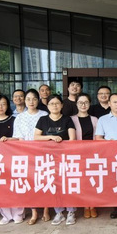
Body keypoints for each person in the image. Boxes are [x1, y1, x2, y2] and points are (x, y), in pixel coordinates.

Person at [34, 94, 77, 225]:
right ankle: (59, 212)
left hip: (65, 157)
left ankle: (71, 212)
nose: (54, 106)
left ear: (62, 105)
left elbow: (72, 139)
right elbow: (36, 137)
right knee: (54, 184)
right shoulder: (43, 120)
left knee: (67, 184)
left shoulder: (67, 119)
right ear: (47, 106)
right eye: (51, 103)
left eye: (57, 103)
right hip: (49, 158)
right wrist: (51, 137)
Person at [0, 94, 24, 225]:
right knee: (1, 187)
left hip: (12, 157)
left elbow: (19, 137)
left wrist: (9, 139)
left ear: (8, 105)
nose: (0, 107)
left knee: (15, 185)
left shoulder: (14, 119)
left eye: (3, 104)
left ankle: (18, 213)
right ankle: (6, 214)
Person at [13, 88, 49, 225]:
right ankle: (34, 212)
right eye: (28, 99)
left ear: (38, 100)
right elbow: (18, 137)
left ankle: (46, 209)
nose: (31, 101)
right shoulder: (20, 117)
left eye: (34, 99)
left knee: (45, 181)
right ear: (24, 101)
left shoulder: (44, 114)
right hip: (26, 154)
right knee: (30, 183)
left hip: (43, 152)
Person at [71, 92, 99, 218]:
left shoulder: (95, 119)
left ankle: (92, 205)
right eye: (80, 102)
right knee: (82, 181)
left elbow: (97, 137)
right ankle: (85, 206)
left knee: (92, 180)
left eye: (86, 102)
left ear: (90, 104)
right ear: (76, 104)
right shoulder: (71, 119)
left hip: (92, 154)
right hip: (77, 155)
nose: (83, 105)